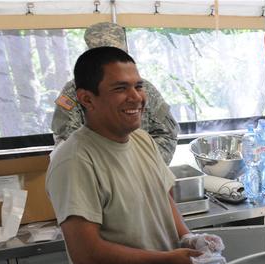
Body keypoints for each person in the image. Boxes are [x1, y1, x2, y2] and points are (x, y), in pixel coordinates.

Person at [46, 46, 224, 264]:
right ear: (87, 98)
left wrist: (189, 239)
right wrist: (167, 259)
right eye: (120, 88)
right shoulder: (75, 160)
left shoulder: (141, 140)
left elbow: (163, 195)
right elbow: (86, 252)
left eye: (138, 85)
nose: (137, 97)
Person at [51, 22, 178, 165]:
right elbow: (66, 142)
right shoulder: (73, 93)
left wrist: (143, 166)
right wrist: (111, 168)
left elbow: (167, 134)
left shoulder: (145, 88)